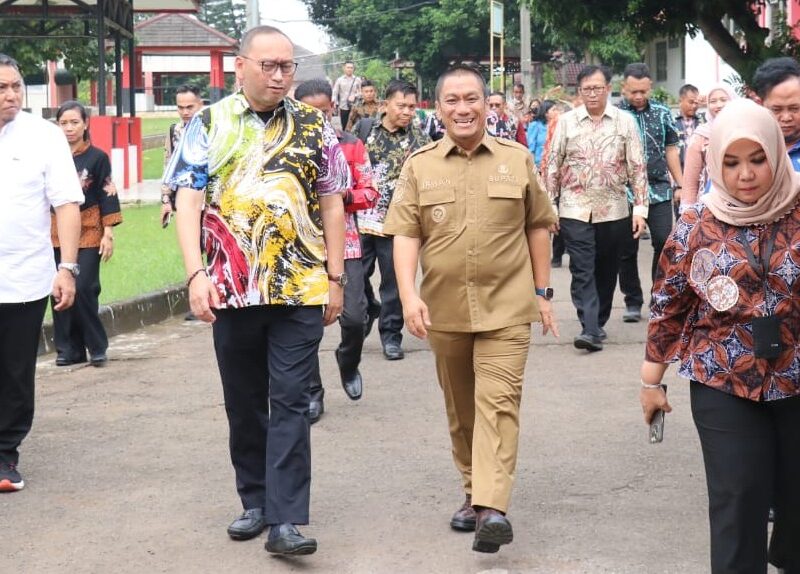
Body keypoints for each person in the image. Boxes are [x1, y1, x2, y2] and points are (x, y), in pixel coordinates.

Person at [163, 26, 348, 555]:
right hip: (230, 287)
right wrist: (196, 274)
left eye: (287, 66)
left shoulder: (315, 125)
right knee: (244, 401)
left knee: (290, 399)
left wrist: (336, 278)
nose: (279, 75)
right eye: (268, 65)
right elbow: (189, 202)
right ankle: (256, 500)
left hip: (300, 286)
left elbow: (333, 201)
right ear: (240, 66)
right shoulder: (207, 123)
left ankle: (287, 520)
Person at [384, 64, 558, 554]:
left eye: (472, 99)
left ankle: (492, 509)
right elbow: (406, 233)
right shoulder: (419, 165)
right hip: (444, 310)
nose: (463, 108)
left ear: (487, 103)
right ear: (437, 108)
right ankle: (472, 493)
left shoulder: (516, 158)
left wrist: (543, 294)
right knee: (462, 411)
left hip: (507, 307)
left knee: (498, 405)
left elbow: (539, 226)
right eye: (452, 100)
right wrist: (408, 294)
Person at [640, 99, 800, 574]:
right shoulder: (694, 225)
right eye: (731, 162)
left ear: (776, 154)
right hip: (722, 380)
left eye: (757, 159)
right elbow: (668, 309)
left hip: (796, 378)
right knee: (737, 499)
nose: (745, 174)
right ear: (714, 163)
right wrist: (651, 383)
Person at [0, 54, 82, 492]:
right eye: (1, 89)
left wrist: (67, 267)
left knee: (14, 369)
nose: (11, 95)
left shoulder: (44, 136)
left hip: (23, 277)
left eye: (16, 86)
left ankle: (4, 454)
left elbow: (67, 203)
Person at [545, 64, 648, 352]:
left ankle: (598, 322)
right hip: (574, 207)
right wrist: (550, 206)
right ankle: (589, 327)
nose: (592, 93)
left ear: (608, 89)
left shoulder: (624, 121)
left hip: (614, 208)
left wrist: (640, 209)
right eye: (587, 89)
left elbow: (637, 167)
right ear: (579, 92)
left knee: (607, 268)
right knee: (582, 268)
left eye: (598, 88)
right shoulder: (567, 122)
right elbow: (552, 164)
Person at [294, 78, 378, 424]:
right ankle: (313, 393)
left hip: (347, 245)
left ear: (332, 110)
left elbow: (370, 192)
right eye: (308, 113)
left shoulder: (352, 145)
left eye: (324, 112)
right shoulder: (286, 148)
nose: (318, 118)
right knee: (303, 328)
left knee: (355, 317)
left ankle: (348, 361)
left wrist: (341, 196)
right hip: (301, 248)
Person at [354, 79, 429, 360]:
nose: (408, 111)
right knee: (355, 278)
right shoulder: (363, 130)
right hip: (360, 220)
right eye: (401, 105)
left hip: (397, 225)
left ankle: (391, 335)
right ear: (385, 105)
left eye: (412, 106)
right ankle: (367, 309)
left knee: (394, 283)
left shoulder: (420, 139)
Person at [52, 100, 123, 367]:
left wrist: (108, 233)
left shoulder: (97, 157)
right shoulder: (51, 157)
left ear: (85, 124)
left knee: (83, 287)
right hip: (55, 230)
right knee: (58, 290)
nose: (69, 128)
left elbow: (107, 194)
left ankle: (96, 346)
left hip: (90, 228)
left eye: (74, 122)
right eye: (64, 123)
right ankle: (68, 349)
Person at [617, 62, 683, 322]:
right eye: (633, 91)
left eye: (643, 91)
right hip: (625, 191)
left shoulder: (663, 113)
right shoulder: (616, 115)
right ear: (624, 88)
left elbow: (671, 150)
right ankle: (632, 300)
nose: (638, 96)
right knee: (626, 248)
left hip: (658, 189)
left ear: (650, 88)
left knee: (663, 241)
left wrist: (680, 184)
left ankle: (659, 296)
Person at [680, 84, 737, 209]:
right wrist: (688, 211)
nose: (718, 105)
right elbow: (690, 180)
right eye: (713, 101)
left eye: (723, 100)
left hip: (742, 203)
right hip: (710, 205)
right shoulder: (701, 135)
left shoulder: (745, 130)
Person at [160, 84, 203, 226]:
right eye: (180, 107)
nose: (185, 112)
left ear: (200, 105)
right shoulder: (174, 131)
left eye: (190, 107)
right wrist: (166, 200)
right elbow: (168, 166)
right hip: (184, 199)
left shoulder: (212, 130)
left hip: (209, 201)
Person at [753, 57, 800, 170]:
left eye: (794, 108)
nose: (786, 118)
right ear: (760, 104)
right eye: (776, 110)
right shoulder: (743, 147)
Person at [674, 83, 705, 169]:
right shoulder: (671, 123)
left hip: (700, 171)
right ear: (680, 101)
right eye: (691, 102)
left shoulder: (703, 121)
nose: (694, 106)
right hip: (678, 172)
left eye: (696, 103)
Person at [331, 60, 361, 130]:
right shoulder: (339, 80)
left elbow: (361, 92)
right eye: (348, 67)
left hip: (355, 107)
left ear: (353, 69)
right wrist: (334, 103)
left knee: (356, 125)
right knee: (344, 126)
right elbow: (335, 93)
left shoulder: (358, 80)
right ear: (344, 68)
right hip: (344, 107)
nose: (350, 69)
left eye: (351, 67)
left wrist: (355, 96)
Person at [526, 99, 556, 167]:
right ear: (546, 113)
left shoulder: (556, 126)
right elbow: (531, 149)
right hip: (539, 164)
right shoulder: (535, 125)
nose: (556, 112)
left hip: (553, 164)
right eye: (554, 110)